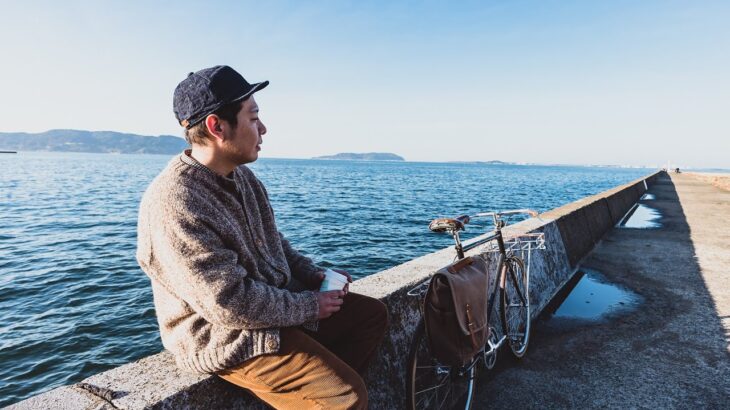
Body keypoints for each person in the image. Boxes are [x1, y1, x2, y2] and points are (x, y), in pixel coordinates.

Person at [136, 65, 388, 409]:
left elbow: (274, 242)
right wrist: (309, 305)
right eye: (253, 118)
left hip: (272, 308)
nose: (263, 128)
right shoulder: (175, 203)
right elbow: (229, 303)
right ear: (217, 126)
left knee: (371, 316)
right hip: (225, 335)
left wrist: (311, 274)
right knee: (346, 396)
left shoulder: (242, 178)